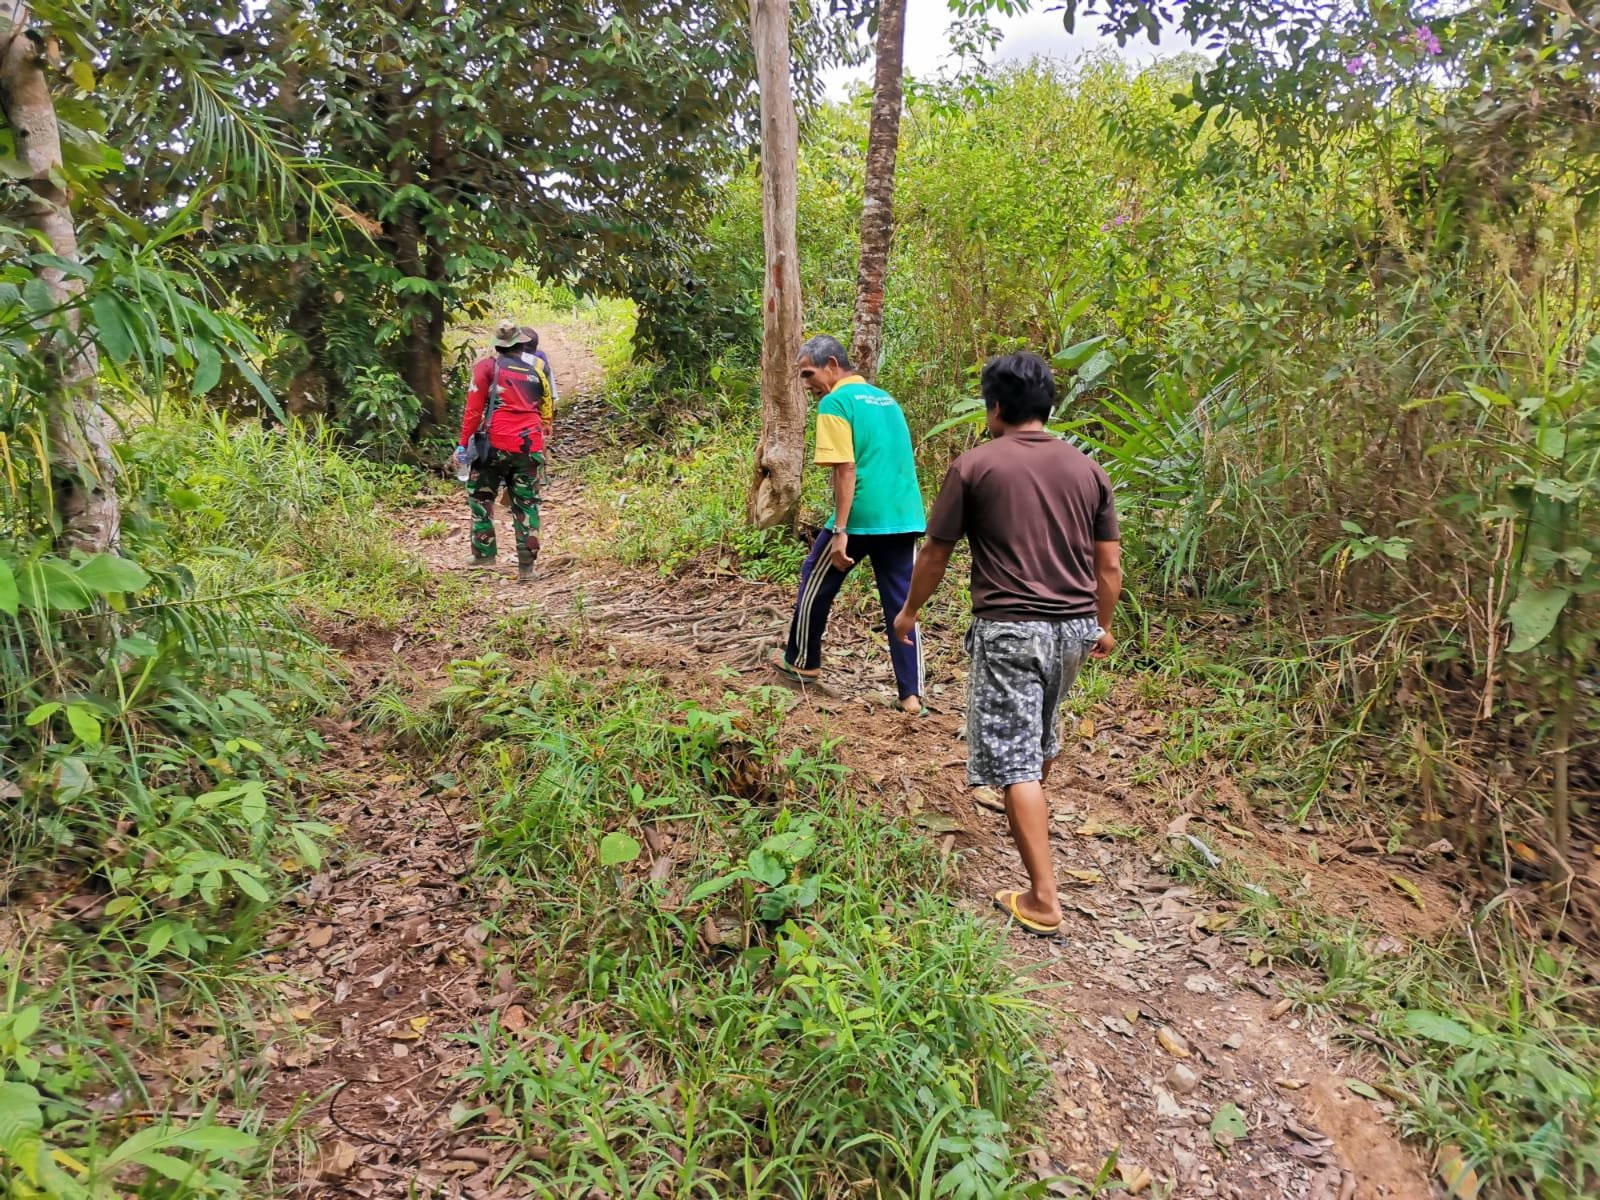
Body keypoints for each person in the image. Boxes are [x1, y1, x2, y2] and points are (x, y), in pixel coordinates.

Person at [893, 351, 1122, 937]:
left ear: (994, 407)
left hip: (1011, 629)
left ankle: (1043, 898)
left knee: (1016, 761)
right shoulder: (1088, 470)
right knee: (1041, 732)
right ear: (1047, 405)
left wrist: (910, 610)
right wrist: (1101, 624)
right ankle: (1030, 803)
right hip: (1074, 628)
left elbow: (936, 552)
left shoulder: (975, 466)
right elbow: (1109, 565)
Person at [772, 334, 926, 715]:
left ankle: (802, 663)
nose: (806, 385)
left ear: (832, 366)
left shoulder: (835, 402)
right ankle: (911, 695)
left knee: (815, 577)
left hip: (861, 516)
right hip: (904, 515)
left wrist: (841, 531)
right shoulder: (886, 399)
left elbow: (845, 469)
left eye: (808, 374)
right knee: (902, 603)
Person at [457, 320, 554, 583]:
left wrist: (463, 444)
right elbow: (546, 409)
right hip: (530, 445)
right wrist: (542, 432)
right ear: (521, 344)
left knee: (480, 495)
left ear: (497, 345)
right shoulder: (537, 370)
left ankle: (483, 553)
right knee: (526, 503)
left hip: (495, 445)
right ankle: (527, 568)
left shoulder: (487, 367)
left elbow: (473, 410)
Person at [520, 327, 557, 418]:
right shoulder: (542, 364)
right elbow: (552, 394)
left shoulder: (505, 363)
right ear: (535, 348)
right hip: (536, 415)